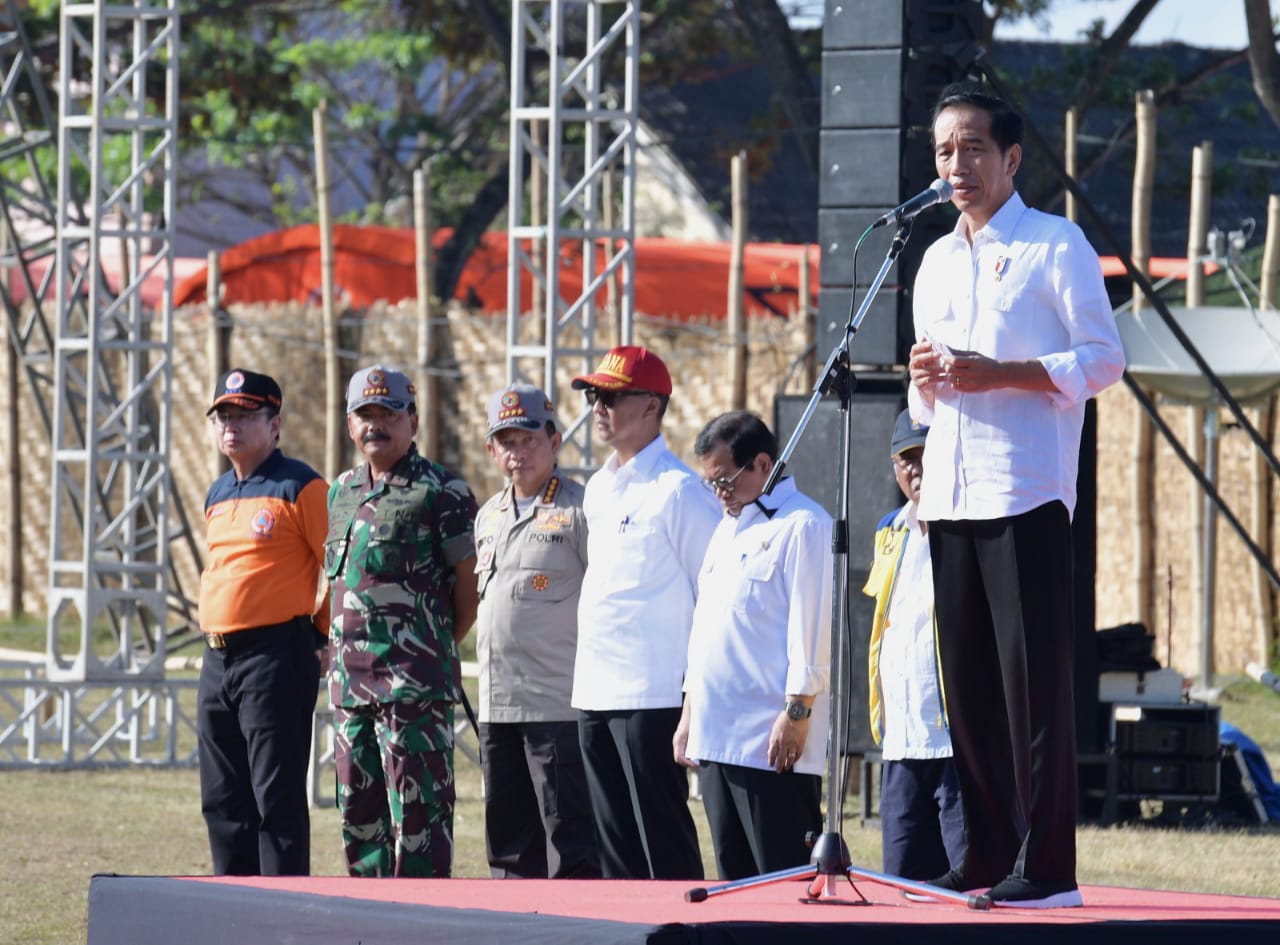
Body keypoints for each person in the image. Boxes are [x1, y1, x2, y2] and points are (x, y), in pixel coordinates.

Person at [906, 81, 1125, 908]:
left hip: (1025, 491)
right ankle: (987, 852)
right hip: (951, 496)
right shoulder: (931, 260)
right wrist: (926, 382)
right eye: (942, 151)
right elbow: (931, 400)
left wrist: (1007, 374)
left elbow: (1104, 358)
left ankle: (1050, 866)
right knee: (967, 688)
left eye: (970, 148)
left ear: (1011, 157)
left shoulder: (1054, 244)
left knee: (1032, 690)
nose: (955, 164)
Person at [569, 344, 722, 880]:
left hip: (651, 694)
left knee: (663, 842)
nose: (598, 408)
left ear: (652, 406)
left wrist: (693, 696)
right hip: (594, 687)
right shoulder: (598, 487)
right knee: (613, 849)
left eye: (611, 396)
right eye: (594, 396)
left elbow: (715, 593)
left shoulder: (679, 491)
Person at [326, 364, 481, 878]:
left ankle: (423, 926)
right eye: (364, 415)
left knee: (419, 822)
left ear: (412, 420)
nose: (376, 425)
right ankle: (368, 924)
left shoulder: (443, 491)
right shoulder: (340, 491)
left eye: (388, 414)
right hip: (350, 692)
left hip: (412, 692)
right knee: (358, 819)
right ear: (350, 425)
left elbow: (468, 585)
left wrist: (430, 649)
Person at [674, 411, 832, 880]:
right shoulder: (729, 526)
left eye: (725, 480)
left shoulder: (804, 524)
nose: (719, 494)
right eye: (712, 484)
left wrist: (798, 711)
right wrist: (689, 714)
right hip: (717, 736)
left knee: (782, 881)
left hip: (770, 739)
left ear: (763, 464)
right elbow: (706, 631)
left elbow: (812, 628)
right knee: (733, 880)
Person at [197, 368, 328, 876]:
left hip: (275, 655)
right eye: (224, 415)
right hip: (217, 658)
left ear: (275, 425)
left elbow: (337, 569)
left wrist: (318, 632)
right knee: (222, 796)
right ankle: (233, 909)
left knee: (275, 798)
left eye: (246, 414)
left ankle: (283, 914)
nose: (232, 425)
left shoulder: (302, 486)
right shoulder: (217, 492)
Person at [473, 382, 600, 878]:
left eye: (529, 439)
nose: (518, 452)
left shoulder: (579, 510)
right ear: (491, 450)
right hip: (496, 708)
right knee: (507, 846)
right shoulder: (488, 516)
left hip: (557, 708)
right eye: (507, 442)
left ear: (554, 440)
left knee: (568, 844)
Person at [863, 410, 964, 881]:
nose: (918, 468)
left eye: (928, 454)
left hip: (955, 742)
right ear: (894, 467)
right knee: (901, 884)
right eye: (907, 459)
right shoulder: (891, 531)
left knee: (969, 883)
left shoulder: (969, 529)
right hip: (902, 740)